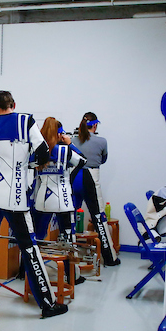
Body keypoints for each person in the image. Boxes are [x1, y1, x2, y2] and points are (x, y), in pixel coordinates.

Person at [0, 91, 69, 318]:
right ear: (13, 105)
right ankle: (47, 304)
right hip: (17, 198)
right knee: (29, 248)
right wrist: (29, 165)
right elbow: (44, 152)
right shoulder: (26, 121)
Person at [71, 111, 120, 266]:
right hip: (91, 177)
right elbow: (103, 159)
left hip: (73, 177)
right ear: (96, 125)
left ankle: (71, 260)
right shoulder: (101, 141)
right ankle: (110, 258)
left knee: (69, 219)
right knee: (99, 218)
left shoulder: (72, 140)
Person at [31, 118, 84, 246]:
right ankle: (68, 265)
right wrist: (70, 144)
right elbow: (83, 161)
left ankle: (33, 264)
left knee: (38, 237)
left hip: (42, 197)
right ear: (59, 134)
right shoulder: (65, 151)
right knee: (67, 238)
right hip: (63, 198)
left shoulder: (37, 150)